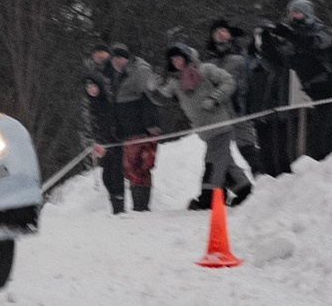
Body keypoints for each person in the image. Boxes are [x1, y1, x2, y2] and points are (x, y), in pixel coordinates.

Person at [151, 45, 253, 208]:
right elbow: (163, 99)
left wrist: (215, 98)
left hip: (220, 125)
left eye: (179, 58)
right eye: (173, 60)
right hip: (204, 130)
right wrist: (153, 89)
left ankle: (208, 198)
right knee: (224, 161)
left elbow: (228, 81)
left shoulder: (205, 70)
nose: (176, 62)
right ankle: (245, 191)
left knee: (212, 161)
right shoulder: (176, 82)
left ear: (187, 57)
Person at [280, 0, 332, 160]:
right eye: (291, 13)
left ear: (307, 14)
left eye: (298, 13)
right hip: (318, 95)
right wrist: (267, 42)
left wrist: (291, 36)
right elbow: (281, 61)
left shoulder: (323, 31)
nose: (293, 16)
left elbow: (315, 44)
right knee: (313, 141)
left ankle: (327, 170)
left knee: (326, 139)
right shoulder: (293, 39)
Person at [201, 18, 263, 177]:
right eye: (216, 32)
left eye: (224, 31)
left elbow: (254, 71)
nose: (220, 34)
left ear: (230, 34)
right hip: (218, 113)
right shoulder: (210, 61)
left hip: (240, 108)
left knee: (247, 146)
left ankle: (262, 176)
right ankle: (239, 187)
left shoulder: (242, 53)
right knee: (218, 154)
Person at [105, 45, 159, 212]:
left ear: (127, 58)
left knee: (140, 167)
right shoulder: (117, 76)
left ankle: (141, 206)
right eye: (114, 59)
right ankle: (139, 206)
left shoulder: (139, 71)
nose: (116, 61)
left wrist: (150, 124)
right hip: (128, 129)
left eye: (120, 58)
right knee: (131, 168)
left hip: (142, 128)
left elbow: (150, 97)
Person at [248, 24, 298, 175]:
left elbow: (279, 70)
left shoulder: (278, 56)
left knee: (281, 147)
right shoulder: (251, 61)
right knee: (266, 149)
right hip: (259, 112)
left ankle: (281, 175)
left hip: (278, 110)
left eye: (262, 36)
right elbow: (247, 86)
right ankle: (269, 176)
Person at [83, 73, 126, 213]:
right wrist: (95, 142)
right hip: (103, 146)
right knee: (106, 177)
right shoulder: (92, 104)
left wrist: (107, 142)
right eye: (88, 86)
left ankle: (119, 209)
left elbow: (113, 124)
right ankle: (115, 207)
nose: (91, 89)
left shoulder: (109, 101)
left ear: (100, 86)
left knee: (116, 176)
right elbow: (95, 128)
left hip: (115, 144)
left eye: (93, 86)